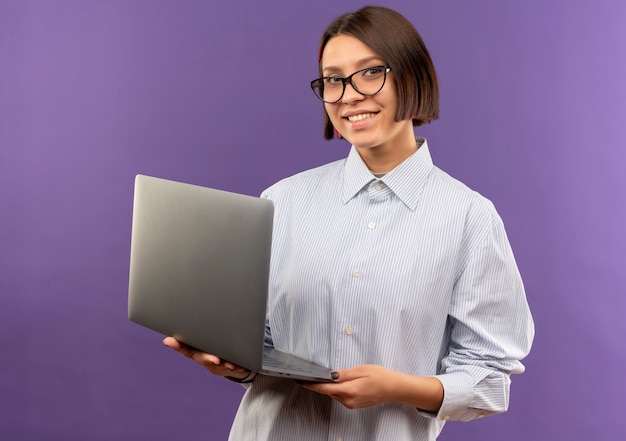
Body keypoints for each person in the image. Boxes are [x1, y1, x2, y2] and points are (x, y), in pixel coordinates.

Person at [164, 5, 534, 441]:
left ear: (411, 77)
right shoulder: (281, 201)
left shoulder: (469, 218)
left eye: (370, 73)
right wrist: (232, 363)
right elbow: (257, 338)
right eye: (333, 80)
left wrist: (397, 387)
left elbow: (490, 379)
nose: (349, 95)